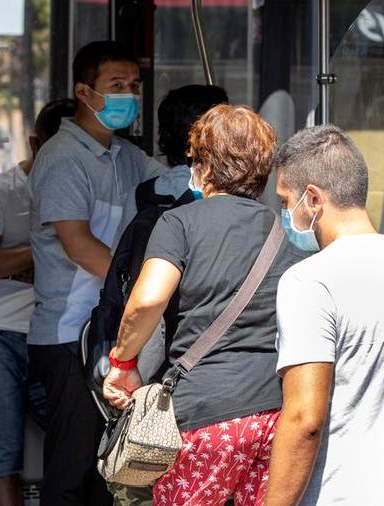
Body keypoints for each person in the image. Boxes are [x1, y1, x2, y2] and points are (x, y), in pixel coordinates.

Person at [103, 104, 307, 506]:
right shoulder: (288, 235)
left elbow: (146, 301)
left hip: (204, 416)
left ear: (205, 165)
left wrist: (124, 364)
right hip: (275, 414)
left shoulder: (178, 223)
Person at [264, 125, 384, 506]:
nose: (285, 214)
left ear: (313, 199)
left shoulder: (309, 281)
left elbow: (304, 419)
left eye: (287, 202)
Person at [28, 41, 167, 505]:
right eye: (116, 87)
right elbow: (78, 244)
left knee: (108, 472)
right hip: (70, 336)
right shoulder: (63, 157)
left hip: (110, 331)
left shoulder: (129, 157)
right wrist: (140, 291)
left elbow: (179, 187)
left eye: (133, 86)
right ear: (84, 92)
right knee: (71, 470)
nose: (128, 96)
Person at [99, 84, 229, 506]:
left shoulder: (145, 196)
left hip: (156, 380)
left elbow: (139, 299)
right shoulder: (240, 214)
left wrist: (126, 367)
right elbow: (148, 300)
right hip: (216, 386)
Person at [0, 98, 77, 506]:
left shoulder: (90, 186)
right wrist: (48, 246)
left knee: (83, 450)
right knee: (1, 460)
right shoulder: (2, 189)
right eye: (56, 145)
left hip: (62, 334)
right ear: (34, 142)